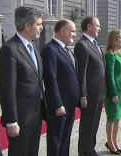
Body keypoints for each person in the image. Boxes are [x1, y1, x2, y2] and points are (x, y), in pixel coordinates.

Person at [0, 6, 45, 156]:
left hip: (35, 115)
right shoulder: (10, 49)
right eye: (38, 25)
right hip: (20, 118)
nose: (41, 28)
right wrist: (11, 121)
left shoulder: (33, 47)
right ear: (27, 26)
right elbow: (6, 88)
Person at [41, 19, 80, 156]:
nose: (74, 34)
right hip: (59, 105)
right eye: (73, 31)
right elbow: (50, 79)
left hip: (70, 103)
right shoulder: (50, 50)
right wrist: (58, 104)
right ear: (62, 31)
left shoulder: (66, 49)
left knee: (66, 138)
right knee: (56, 140)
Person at [74, 16, 107, 156]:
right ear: (89, 27)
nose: (99, 28)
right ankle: (84, 151)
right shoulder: (82, 45)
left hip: (99, 93)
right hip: (90, 94)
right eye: (97, 26)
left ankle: (90, 149)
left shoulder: (94, 43)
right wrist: (83, 94)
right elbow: (82, 73)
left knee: (94, 124)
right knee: (87, 125)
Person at [104, 29, 121, 155]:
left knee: (118, 118)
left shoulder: (118, 54)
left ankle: (115, 141)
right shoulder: (110, 55)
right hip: (114, 92)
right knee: (112, 118)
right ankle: (110, 142)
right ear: (114, 40)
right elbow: (110, 76)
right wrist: (113, 94)